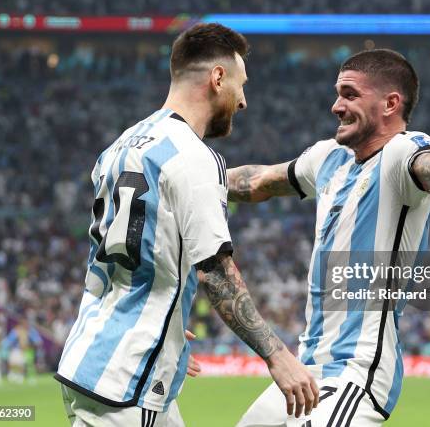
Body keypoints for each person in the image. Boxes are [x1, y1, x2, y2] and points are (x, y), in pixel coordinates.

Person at [55, 23, 318, 426]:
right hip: (128, 380)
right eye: (241, 84)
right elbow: (216, 273)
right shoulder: (194, 156)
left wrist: (167, 331)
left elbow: (120, 259)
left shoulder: (119, 146)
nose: (243, 100)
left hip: (97, 357)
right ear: (217, 78)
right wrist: (278, 357)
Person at [228, 49, 430, 426]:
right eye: (337, 93)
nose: (335, 105)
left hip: (356, 373)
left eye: (349, 94)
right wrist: (189, 174)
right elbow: (258, 181)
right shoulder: (329, 157)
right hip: (305, 371)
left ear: (391, 103)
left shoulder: (402, 153)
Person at [2, 317, 43, 384]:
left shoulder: (30, 331)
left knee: (27, 364)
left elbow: (38, 341)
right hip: (17, 350)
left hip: (27, 350)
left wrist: (31, 345)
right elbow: (9, 341)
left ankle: (26, 377)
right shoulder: (16, 331)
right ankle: (13, 375)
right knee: (13, 363)